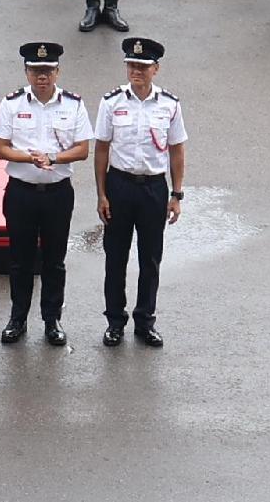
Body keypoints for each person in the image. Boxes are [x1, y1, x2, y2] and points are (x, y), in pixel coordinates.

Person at [0, 40, 92, 345]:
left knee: (54, 260)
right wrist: (31, 158)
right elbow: (1, 148)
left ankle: (52, 320)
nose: (42, 77)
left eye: (47, 71)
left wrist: (55, 159)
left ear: (57, 72)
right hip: (21, 192)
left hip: (57, 193)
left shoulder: (73, 105)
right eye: (36, 71)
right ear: (26, 72)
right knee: (20, 260)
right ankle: (17, 318)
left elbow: (84, 149)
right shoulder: (11, 104)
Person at [93, 35, 185, 347]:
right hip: (119, 186)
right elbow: (102, 150)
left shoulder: (169, 105)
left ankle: (145, 321)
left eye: (143, 66)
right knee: (115, 259)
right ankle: (115, 321)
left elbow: (176, 150)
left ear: (155, 69)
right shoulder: (111, 102)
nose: (136, 71)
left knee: (150, 259)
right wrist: (102, 194)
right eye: (131, 65)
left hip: (153, 189)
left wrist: (177, 194)